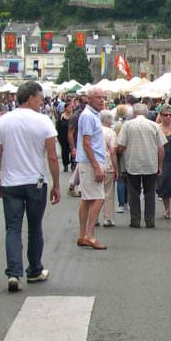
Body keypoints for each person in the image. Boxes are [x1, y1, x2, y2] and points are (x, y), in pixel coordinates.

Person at [0, 81, 61, 292]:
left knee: (12, 228)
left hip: (11, 182)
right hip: (36, 181)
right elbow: (52, 156)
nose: (41, 102)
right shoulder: (44, 121)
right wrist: (56, 184)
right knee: (34, 226)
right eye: (39, 98)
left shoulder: (4, 121)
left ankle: (13, 273)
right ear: (30, 98)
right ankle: (35, 270)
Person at [116, 103, 167, 229]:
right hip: (150, 163)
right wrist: (160, 165)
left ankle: (135, 220)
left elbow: (121, 146)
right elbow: (161, 148)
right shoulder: (154, 126)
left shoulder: (127, 125)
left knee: (134, 193)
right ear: (146, 113)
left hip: (133, 163)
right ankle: (150, 221)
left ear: (133, 113)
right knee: (150, 193)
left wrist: (118, 157)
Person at [75, 89, 108, 250]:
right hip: (90, 162)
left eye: (103, 97)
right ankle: (89, 235)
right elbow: (86, 143)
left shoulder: (92, 115)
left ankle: (83, 235)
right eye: (98, 98)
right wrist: (96, 166)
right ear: (89, 99)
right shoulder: (88, 116)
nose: (102, 100)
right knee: (99, 197)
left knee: (87, 199)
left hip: (89, 161)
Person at [98, 109, 120, 228]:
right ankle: (108, 218)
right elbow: (113, 151)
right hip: (108, 165)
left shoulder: (94, 131)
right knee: (108, 193)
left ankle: (94, 217)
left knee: (95, 193)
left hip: (95, 164)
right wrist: (116, 167)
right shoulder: (111, 132)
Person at [55, 105, 73, 172]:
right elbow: (57, 127)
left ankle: (73, 164)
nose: (70, 109)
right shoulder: (61, 117)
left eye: (71, 107)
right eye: (69, 107)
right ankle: (65, 165)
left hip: (71, 137)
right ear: (65, 108)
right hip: (63, 137)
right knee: (65, 151)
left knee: (72, 150)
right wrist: (58, 136)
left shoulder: (73, 117)